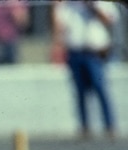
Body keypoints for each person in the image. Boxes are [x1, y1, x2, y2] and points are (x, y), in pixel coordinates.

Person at [51, 0, 119, 140]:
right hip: (75, 52)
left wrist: (92, 6)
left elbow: (109, 20)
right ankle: (84, 127)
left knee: (100, 88)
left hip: (94, 53)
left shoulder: (101, 3)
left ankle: (109, 125)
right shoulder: (69, 5)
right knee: (80, 92)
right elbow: (59, 26)